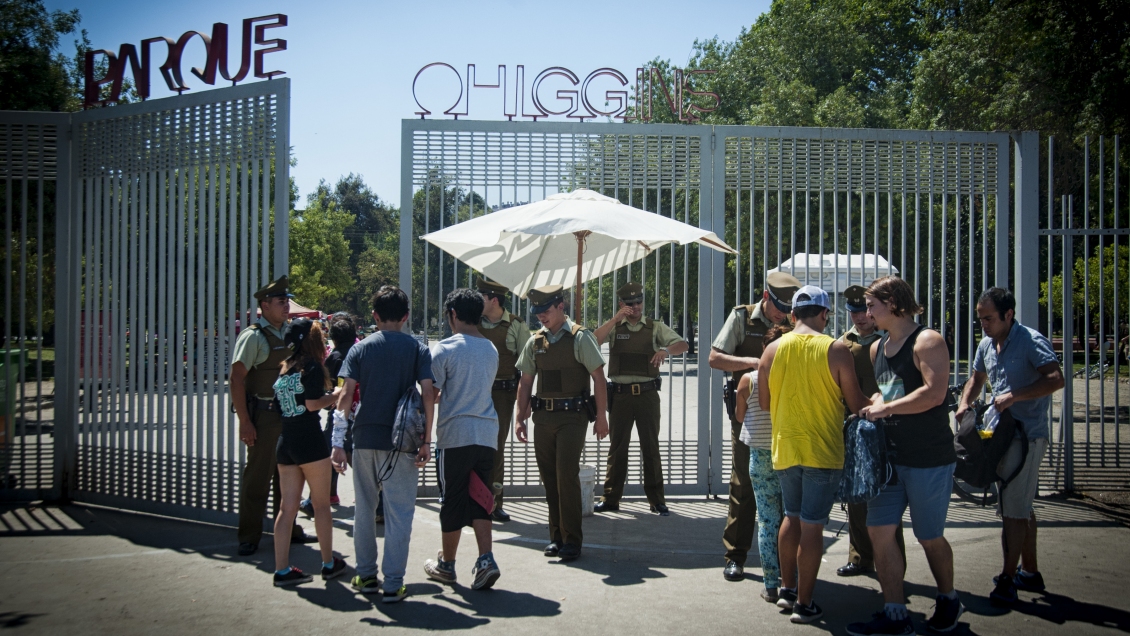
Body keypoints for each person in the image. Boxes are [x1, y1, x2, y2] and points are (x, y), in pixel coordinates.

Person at [847, 276, 961, 636]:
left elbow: (934, 394)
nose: (865, 313)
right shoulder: (876, 349)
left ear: (893, 302)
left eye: (871, 305)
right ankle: (895, 613)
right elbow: (886, 394)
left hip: (927, 457)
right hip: (889, 461)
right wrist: (869, 409)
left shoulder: (927, 341)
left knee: (929, 536)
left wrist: (887, 408)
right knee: (879, 532)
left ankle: (948, 598)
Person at [758, 285, 870, 624]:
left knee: (790, 516)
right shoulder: (836, 349)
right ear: (825, 314)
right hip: (822, 449)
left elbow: (764, 403)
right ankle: (805, 604)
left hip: (785, 447)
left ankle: (787, 590)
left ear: (792, 316)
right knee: (812, 524)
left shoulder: (772, 350)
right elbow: (856, 403)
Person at [957, 287, 1064, 605]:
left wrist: (1013, 396)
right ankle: (1029, 573)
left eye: (989, 318)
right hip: (1000, 435)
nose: (984, 325)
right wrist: (965, 403)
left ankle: (1006, 578)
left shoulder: (1031, 341)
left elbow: (1056, 378)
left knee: (1012, 512)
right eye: (980, 319)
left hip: (1028, 436)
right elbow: (975, 380)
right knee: (1020, 506)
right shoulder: (986, 344)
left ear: (1008, 315)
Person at [333, 286, 435, 603]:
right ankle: (393, 583)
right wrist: (427, 440)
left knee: (364, 508)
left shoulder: (359, 349)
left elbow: (345, 396)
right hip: (403, 441)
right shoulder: (417, 349)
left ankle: (365, 576)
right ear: (405, 317)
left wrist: (338, 443)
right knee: (400, 512)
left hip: (363, 437)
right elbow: (429, 393)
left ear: (375, 316)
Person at [709, 270, 801, 582]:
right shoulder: (742, 318)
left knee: (788, 486)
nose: (783, 316)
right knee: (743, 485)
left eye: (788, 310)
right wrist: (753, 363)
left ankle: (782, 559)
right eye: (778, 308)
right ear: (765, 297)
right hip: (749, 415)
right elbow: (714, 358)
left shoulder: (792, 320)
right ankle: (735, 555)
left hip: (788, 414)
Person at [515, 285, 610, 562]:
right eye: (537, 313)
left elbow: (599, 378)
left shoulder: (581, 338)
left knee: (565, 475)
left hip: (572, 417)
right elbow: (526, 382)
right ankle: (555, 537)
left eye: (545, 311)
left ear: (561, 306)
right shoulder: (536, 342)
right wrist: (520, 417)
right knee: (549, 478)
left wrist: (602, 415)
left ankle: (572, 540)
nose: (540, 317)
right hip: (543, 418)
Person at [422, 288, 503, 590]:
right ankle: (486, 559)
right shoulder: (490, 349)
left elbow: (432, 393)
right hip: (485, 434)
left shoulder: (444, 349)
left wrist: (426, 436)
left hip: (455, 435)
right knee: (482, 498)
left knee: (452, 500)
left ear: (453, 315)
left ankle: (447, 565)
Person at [230, 275, 315, 556]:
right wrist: (245, 421)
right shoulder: (254, 336)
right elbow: (236, 378)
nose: (286, 307)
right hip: (264, 416)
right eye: (281, 302)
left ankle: (289, 530)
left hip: (288, 415)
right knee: (257, 478)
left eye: (287, 301)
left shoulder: (290, 332)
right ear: (264, 305)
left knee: (288, 477)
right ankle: (249, 535)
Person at [592, 282, 689, 516]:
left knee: (650, 447)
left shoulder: (654, 327)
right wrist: (614, 319)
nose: (635, 307)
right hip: (621, 396)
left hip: (646, 394)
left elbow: (682, 344)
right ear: (621, 304)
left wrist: (665, 351)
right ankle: (611, 498)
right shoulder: (615, 327)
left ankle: (657, 500)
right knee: (617, 448)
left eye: (638, 302)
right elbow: (594, 340)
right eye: (629, 303)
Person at [835, 285, 907, 578]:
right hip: (854, 427)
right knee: (856, 492)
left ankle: (893, 562)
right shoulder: (842, 344)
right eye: (853, 312)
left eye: (864, 311)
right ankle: (860, 557)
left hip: (886, 424)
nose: (860, 318)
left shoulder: (889, 341)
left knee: (886, 495)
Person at [270, 319, 347, 586]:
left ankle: (281, 569)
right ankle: (328, 563)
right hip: (310, 442)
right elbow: (314, 404)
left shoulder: (285, 368)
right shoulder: (312, 367)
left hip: (286, 442)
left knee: (286, 508)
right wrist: (336, 394)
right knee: (321, 505)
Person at [734, 324, 790, 604]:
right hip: (791, 452)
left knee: (767, 521)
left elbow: (740, 416)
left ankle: (770, 583)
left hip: (761, 454)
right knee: (794, 517)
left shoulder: (749, 380)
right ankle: (793, 581)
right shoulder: (794, 377)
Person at [477, 278, 533, 523]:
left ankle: (495, 501)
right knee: (474, 445)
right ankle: (474, 499)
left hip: (503, 394)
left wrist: (524, 405)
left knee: (497, 447)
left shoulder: (516, 326)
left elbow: (527, 366)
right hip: (476, 392)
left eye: (482, 296)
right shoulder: (472, 321)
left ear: (494, 300)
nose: (478, 300)